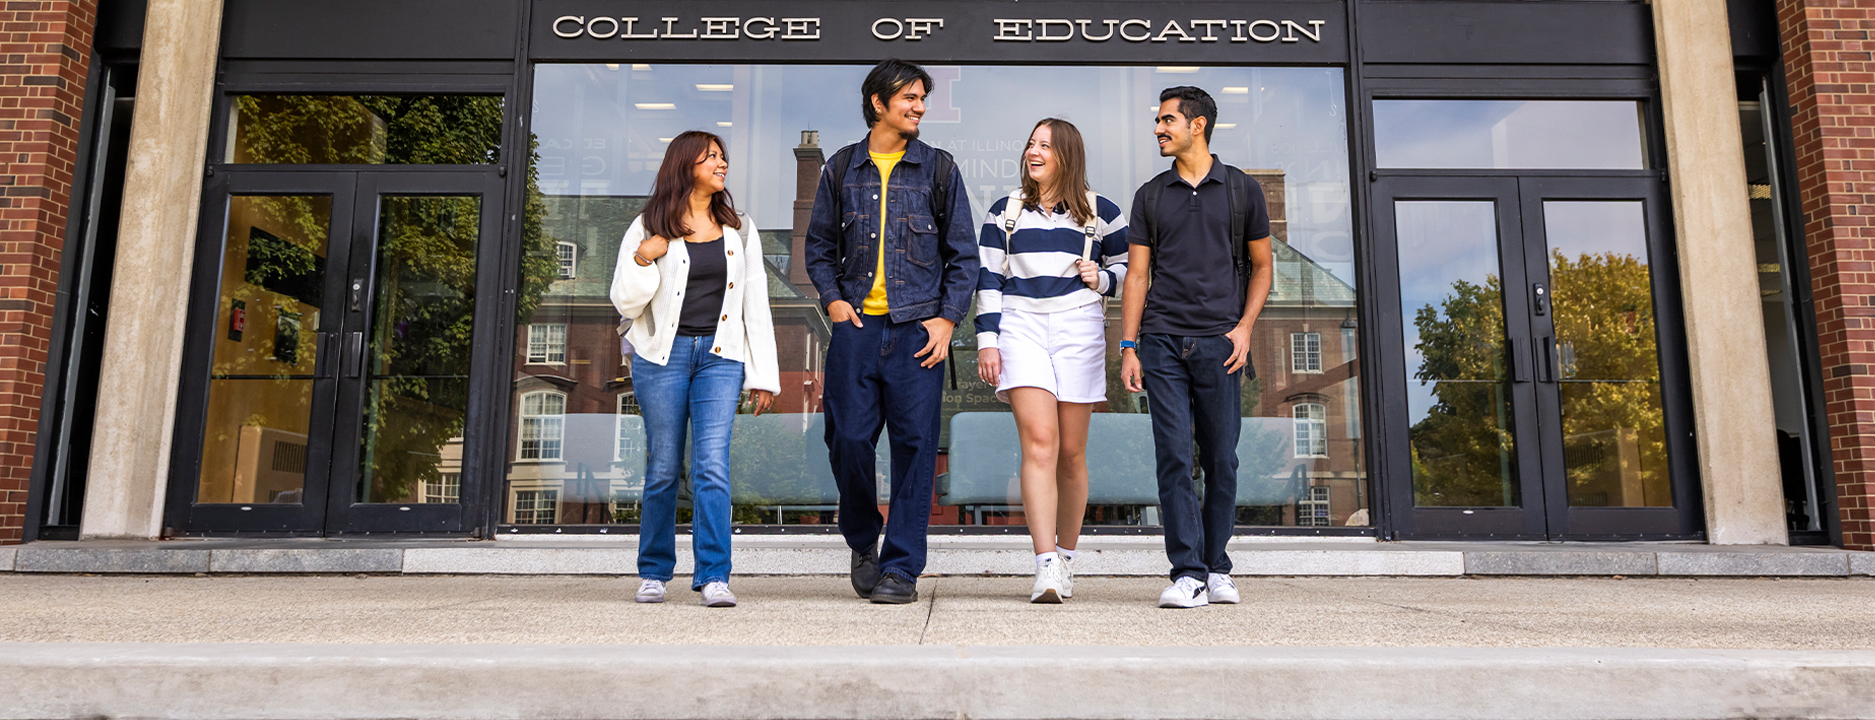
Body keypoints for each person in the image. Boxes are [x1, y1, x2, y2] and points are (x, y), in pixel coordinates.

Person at [803, 59, 978, 604]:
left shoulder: (939, 169)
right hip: (856, 327)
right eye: (909, 97)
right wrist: (833, 301)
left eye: (922, 98)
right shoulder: (841, 168)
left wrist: (947, 318)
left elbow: (964, 256)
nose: (919, 107)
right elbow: (818, 247)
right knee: (848, 439)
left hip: (916, 332)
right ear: (878, 103)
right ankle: (863, 541)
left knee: (915, 448)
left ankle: (902, 568)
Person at [1119, 87, 1275, 609]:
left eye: (1167, 120)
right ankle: (1187, 572)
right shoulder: (1150, 195)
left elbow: (1263, 266)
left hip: (1221, 344)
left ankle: (1218, 567)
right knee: (1173, 457)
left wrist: (1245, 327)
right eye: (1158, 120)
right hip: (1162, 342)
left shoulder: (1241, 190)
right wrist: (1129, 345)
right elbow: (1136, 276)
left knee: (1221, 460)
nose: (1158, 129)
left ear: (1198, 124)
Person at [611, 130, 779, 608]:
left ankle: (714, 575)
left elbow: (755, 303)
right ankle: (653, 572)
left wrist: (763, 376)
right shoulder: (648, 225)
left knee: (711, 466)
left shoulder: (740, 230)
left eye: (723, 157)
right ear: (685, 165)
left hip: (721, 359)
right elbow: (624, 301)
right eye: (711, 157)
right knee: (664, 466)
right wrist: (644, 256)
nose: (721, 164)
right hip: (661, 358)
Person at [974, 118, 1128, 603]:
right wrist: (987, 341)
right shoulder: (1005, 211)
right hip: (1020, 325)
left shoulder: (1103, 211)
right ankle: (1044, 565)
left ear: (1067, 155)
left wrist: (1102, 278)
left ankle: (1066, 558)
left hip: (1079, 326)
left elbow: (1131, 268)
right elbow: (988, 278)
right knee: (1040, 443)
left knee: (1072, 453)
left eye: (1045, 145)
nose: (1033, 152)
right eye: (1031, 144)